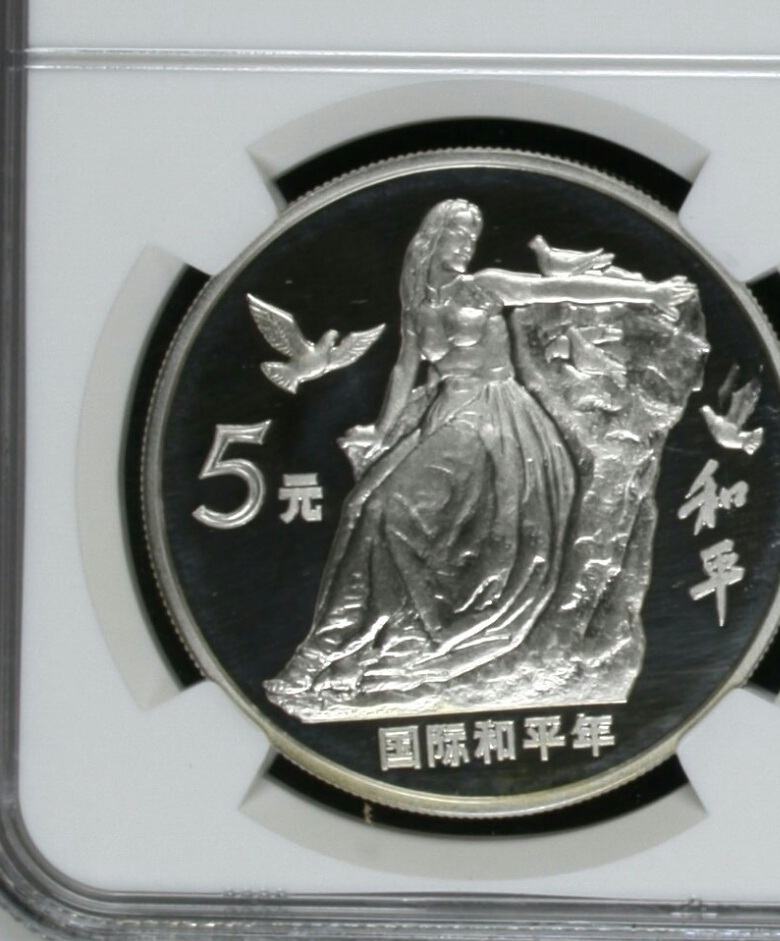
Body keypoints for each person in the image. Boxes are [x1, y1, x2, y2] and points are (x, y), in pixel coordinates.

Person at [265, 197, 695, 720]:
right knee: (363, 506)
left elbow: (560, 288)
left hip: (496, 422)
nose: (466, 244)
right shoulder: (419, 309)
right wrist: (381, 428)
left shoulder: (485, 286)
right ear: (431, 239)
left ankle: (338, 652)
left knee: (388, 509)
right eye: (457, 234)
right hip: (445, 414)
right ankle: (337, 650)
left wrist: (649, 293)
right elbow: (403, 369)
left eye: (471, 235)